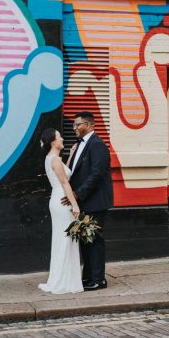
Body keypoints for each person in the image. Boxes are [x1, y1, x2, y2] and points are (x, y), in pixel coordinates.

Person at [62, 112, 113, 291]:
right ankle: (89, 277)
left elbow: (97, 175)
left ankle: (99, 279)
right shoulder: (79, 145)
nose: (74, 128)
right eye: (74, 125)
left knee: (95, 240)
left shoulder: (97, 145)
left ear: (90, 125)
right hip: (85, 202)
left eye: (78, 125)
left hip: (96, 201)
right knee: (85, 240)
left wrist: (77, 194)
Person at [37, 128, 84, 294]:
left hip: (57, 200)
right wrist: (75, 205)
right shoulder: (55, 160)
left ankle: (64, 278)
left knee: (63, 239)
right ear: (52, 141)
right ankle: (63, 281)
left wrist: (70, 156)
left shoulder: (52, 159)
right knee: (65, 240)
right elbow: (65, 183)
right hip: (62, 201)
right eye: (59, 137)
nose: (62, 138)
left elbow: (65, 174)